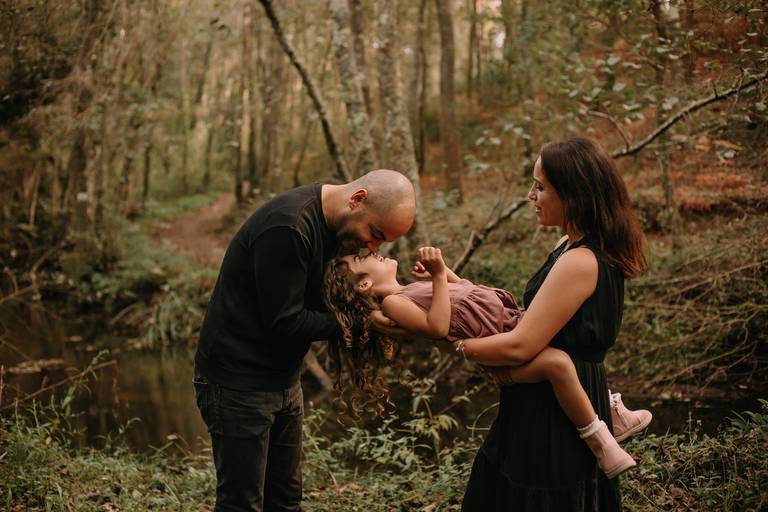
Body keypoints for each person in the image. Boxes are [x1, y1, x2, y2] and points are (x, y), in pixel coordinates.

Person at [193, 169, 416, 512]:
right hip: (236, 382)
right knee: (242, 503)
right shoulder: (288, 227)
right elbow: (285, 323)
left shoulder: (335, 230)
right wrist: (364, 322)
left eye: (382, 243)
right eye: (375, 234)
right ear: (357, 200)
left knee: (285, 500)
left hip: (284, 380)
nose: (373, 247)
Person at [323, 247, 647, 477]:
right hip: (499, 355)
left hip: (511, 326)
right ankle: (602, 443)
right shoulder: (394, 303)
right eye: (364, 257)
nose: (373, 251)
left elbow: (464, 293)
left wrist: (443, 272)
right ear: (364, 284)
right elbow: (438, 327)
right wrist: (437, 277)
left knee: (567, 341)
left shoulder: (410, 288)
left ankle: (611, 412)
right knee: (558, 364)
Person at [453, 137, 648, 511]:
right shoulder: (567, 245)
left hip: (556, 413)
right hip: (544, 395)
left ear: (574, 194)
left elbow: (520, 346)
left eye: (541, 187)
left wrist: (462, 346)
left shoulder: (582, 260)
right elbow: (540, 320)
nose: (531, 195)